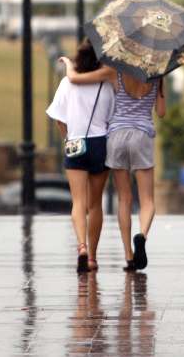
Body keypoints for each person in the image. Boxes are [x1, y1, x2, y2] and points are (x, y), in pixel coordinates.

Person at [59, 57, 165, 272]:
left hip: (116, 137)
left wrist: (69, 64)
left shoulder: (114, 72)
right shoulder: (158, 75)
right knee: (147, 201)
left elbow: (75, 79)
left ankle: (128, 256)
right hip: (142, 136)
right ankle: (142, 235)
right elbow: (161, 112)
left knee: (124, 199)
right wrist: (160, 85)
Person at [47, 39, 115, 273]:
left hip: (75, 142)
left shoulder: (67, 83)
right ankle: (94, 258)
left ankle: (82, 247)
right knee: (95, 204)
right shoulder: (105, 85)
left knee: (78, 202)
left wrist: (67, 138)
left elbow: (58, 117)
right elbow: (111, 118)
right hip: (99, 144)